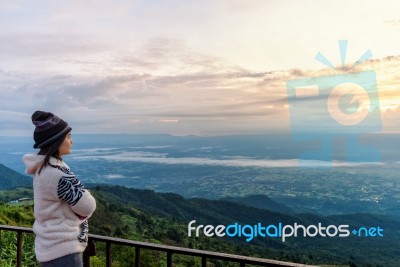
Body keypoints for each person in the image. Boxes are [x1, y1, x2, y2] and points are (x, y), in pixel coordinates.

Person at [23, 111, 96, 267]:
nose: (72, 141)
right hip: (64, 251)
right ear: (57, 140)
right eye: (68, 137)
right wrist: (86, 192)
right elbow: (88, 206)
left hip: (51, 247)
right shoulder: (57, 173)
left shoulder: (44, 168)